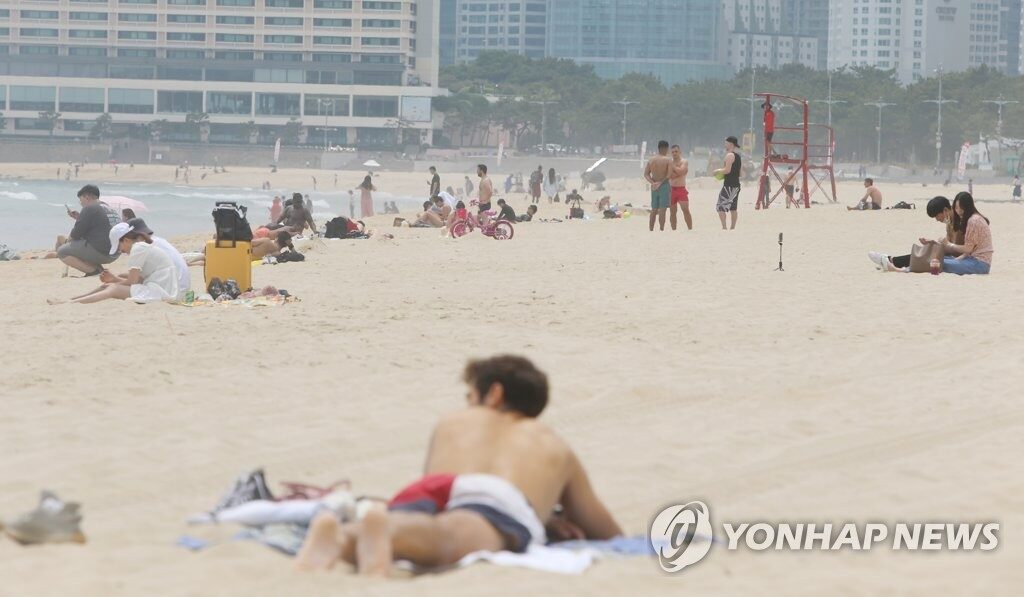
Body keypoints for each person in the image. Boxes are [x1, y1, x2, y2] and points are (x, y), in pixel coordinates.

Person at [294, 355, 622, 575]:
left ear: (493, 393)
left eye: (470, 395)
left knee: (423, 524)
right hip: (493, 500)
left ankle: (342, 538)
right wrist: (548, 517)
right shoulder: (550, 442)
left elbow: (439, 483)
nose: (468, 404)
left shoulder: (455, 421)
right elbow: (605, 532)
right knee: (452, 535)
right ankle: (381, 532)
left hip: (429, 491)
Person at [50, 223, 178, 304]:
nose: (121, 251)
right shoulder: (141, 247)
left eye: (119, 247)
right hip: (161, 287)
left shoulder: (138, 248)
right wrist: (114, 279)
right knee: (111, 284)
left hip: (161, 291)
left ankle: (70, 302)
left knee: (113, 288)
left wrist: (114, 281)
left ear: (126, 240)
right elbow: (137, 279)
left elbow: (133, 281)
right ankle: (74, 299)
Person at [868, 196, 956, 271]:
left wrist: (938, 244)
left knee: (927, 254)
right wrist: (934, 243)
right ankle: (890, 261)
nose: (937, 219)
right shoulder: (949, 223)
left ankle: (890, 261)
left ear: (945, 210)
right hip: (951, 253)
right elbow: (947, 245)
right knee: (925, 251)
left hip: (956, 255)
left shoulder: (958, 222)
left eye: (937, 216)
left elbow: (954, 247)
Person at [56, 185, 119, 276]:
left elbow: (75, 235)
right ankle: (99, 269)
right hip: (115, 252)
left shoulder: (89, 208)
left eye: (81, 200)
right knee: (82, 245)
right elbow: (101, 225)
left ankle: (93, 271)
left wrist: (67, 244)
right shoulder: (108, 208)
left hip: (103, 252)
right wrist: (79, 218)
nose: (81, 204)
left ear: (87, 197)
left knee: (62, 251)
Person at [126, 218, 190, 299]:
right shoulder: (158, 240)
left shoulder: (143, 247)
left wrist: (116, 280)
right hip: (183, 285)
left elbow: (137, 279)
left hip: (175, 288)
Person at [941, 192, 993, 275]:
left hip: (979, 264)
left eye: (961, 209)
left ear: (967, 207)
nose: (958, 212)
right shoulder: (974, 218)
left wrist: (949, 244)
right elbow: (970, 249)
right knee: (939, 259)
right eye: (956, 208)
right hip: (973, 260)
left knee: (938, 263)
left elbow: (968, 249)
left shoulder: (973, 220)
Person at [712, 136, 742, 230]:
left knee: (720, 207)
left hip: (729, 185)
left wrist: (717, 171)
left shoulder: (729, 155)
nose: (725, 144)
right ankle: (732, 228)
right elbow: (740, 173)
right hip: (736, 184)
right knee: (733, 208)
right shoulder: (738, 156)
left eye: (726, 143)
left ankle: (724, 227)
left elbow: (727, 170)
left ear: (731, 144)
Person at [643, 140, 673, 232]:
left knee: (654, 210)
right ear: (666, 148)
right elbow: (669, 175)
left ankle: (651, 229)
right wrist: (660, 183)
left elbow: (646, 174)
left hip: (654, 187)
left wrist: (653, 182)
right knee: (662, 210)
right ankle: (661, 229)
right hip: (663, 186)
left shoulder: (651, 160)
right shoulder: (668, 160)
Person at [668, 144, 691, 231]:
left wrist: (674, 168)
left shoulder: (684, 161)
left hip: (681, 189)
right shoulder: (669, 162)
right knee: (673, 212)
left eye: (676, 151)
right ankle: (674, 230)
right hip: (671, 189)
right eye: (673, 152)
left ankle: (690, 229)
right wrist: (679, 172)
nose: (674, 153)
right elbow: (670, 175)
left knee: (685, 210)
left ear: (680, 152)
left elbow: (681, 171)